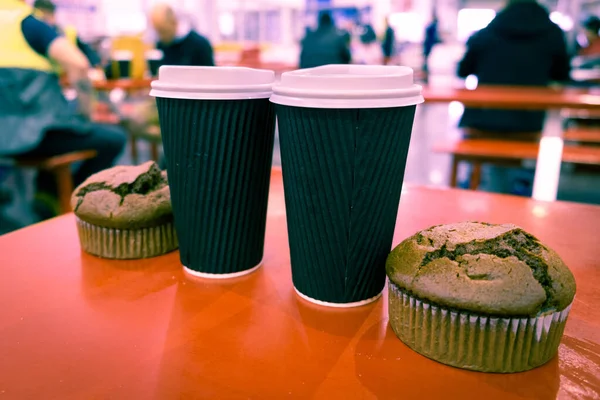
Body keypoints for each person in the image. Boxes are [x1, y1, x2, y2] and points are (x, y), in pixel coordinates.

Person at [0, 0, 126, 218]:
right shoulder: (27, 23)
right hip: (36, 135)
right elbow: (78, 64)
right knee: (112, 138)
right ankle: (68, 197)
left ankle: (46, 195)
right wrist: (86, 113)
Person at [456, 0, 571, 196]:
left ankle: (484, 189)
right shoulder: (552, 33)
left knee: (489, 157)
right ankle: (518, 193)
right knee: (520, 157)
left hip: (483, 117)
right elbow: (561, 74)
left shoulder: (487, 33)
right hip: (528, 120)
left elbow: (463, 70)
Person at [32, 0, 101, 68]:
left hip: (65, 76)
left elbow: (90, 56)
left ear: (53, 15)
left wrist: (95, 67)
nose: (46, 22)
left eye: (47, 16)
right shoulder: (31, 33)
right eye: (43, 18)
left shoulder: (68, 32)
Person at [150, 3, 214, 67]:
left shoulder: (201, 44)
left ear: (174, 22)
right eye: (157, 32)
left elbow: (211, 74)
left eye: (163, 31)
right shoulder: (161, 45)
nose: (161, 36)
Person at [423, 13, 440, 79]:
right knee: (426, 58)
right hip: (428, 45)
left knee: (426, 58)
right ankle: (425, 71)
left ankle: (426, 71)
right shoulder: (433, 27)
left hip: (428, 45)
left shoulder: (432, 27)